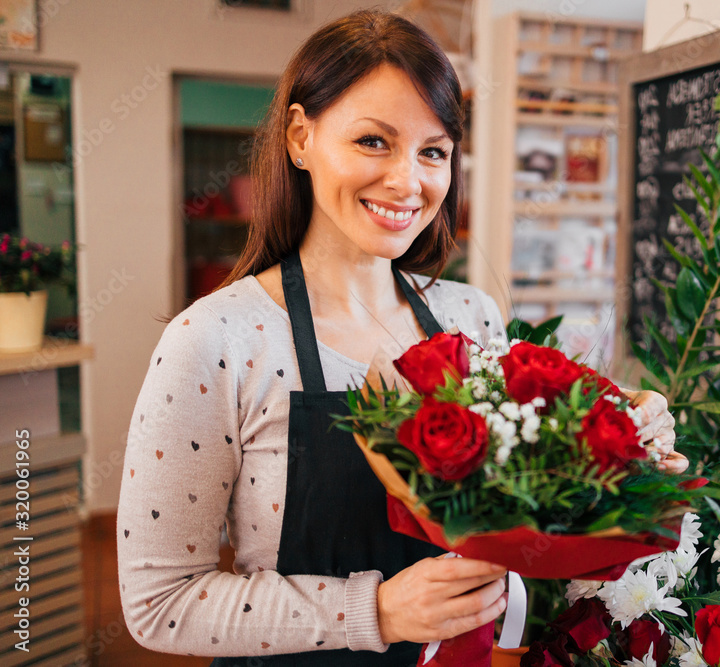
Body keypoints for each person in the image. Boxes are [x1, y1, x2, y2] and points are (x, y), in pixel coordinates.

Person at [118, 9, 685, 666]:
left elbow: (522, 535)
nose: (407, 181)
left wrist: (623, 451)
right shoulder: (217, 338)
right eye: (373, 142)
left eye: (433, 151)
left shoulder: (471, 320)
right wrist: (378, 610)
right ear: (300, 137)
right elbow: (160, 602)